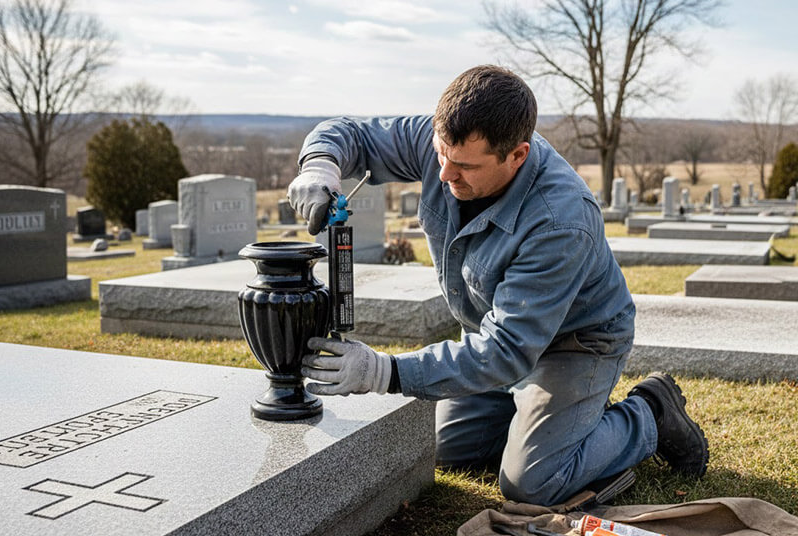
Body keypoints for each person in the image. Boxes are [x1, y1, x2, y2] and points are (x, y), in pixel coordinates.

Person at [288, 65, 709, 506]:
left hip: (576, 344)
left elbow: (509, 349)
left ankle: (649, 415)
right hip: (493, 334)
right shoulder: (447, 144)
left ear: (518, 155)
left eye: (466, 167)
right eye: (440, 155)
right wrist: (320, 165)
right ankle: (542, 416)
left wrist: (382, 372)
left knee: (532, 483)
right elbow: (351, 133)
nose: (446, 175)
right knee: (447, 448)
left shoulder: (560, 219)